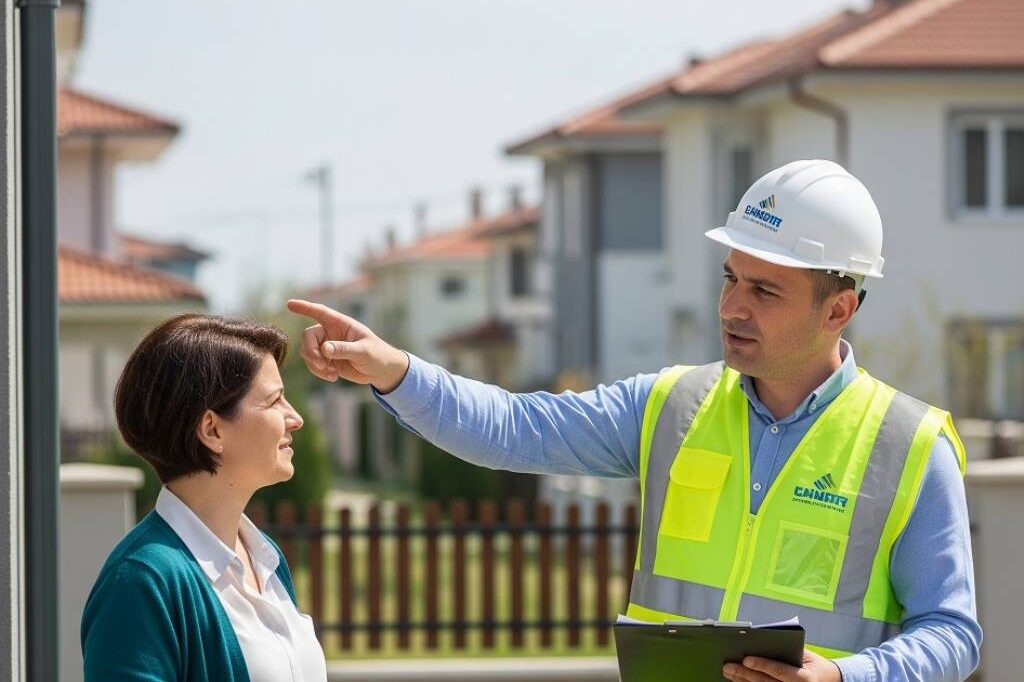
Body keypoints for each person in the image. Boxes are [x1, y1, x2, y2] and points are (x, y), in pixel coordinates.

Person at [289, 159, 982, 682]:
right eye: (729, 278)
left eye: (765, 290)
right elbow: (510, 428)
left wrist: (844, 676)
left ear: (839, 310)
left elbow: (952, 633)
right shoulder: (670, 407)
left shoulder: (909, 447)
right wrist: (394, 371)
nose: (733, 307)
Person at [81, 314, 327, 682]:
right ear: (212, 429)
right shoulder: (141, 581)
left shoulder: (266, 560)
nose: (294, 418)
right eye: (275, 400)